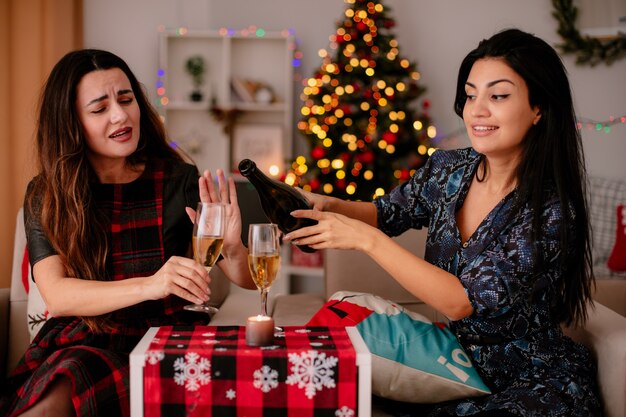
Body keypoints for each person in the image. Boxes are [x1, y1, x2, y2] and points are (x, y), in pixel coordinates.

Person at [284, 28, 602, 416]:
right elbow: (387, 213)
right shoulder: (447, 170)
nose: (477, 110)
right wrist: (331, 205)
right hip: (449, 370)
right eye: (470, 95)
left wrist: (365, 240)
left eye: (498, 96)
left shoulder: (550, 213)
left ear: (539, 108)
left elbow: (459, 302)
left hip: (533, 384)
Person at [0, 49, 255, 417]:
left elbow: (244, 279)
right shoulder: (47, 193)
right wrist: (152, 284)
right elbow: (57, 295)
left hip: (166, 339)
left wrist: (232, 250)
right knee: (70, 378)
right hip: (86, 338)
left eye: (126, 99)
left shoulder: (178, 178)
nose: (121, 115)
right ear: (71, 122)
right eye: (99, 108)